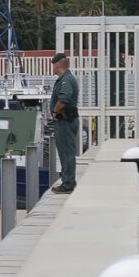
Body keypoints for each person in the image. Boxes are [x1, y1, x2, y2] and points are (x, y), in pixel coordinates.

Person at [49, 51, 80, 192]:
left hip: (65, 121)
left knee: (66, 152)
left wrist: (55, 112)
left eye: (53, 65)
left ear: (57, 65)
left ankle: (68, 183)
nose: (53, 68)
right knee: (66, 151)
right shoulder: (67, 78)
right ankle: (68, 181)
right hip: (66, 120)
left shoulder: (65, 80)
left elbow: (64, 98)